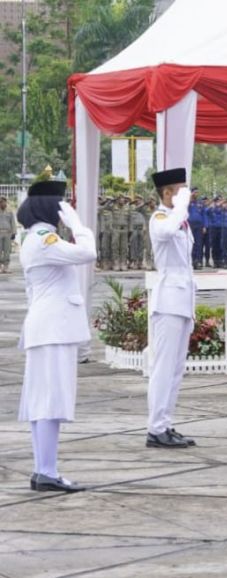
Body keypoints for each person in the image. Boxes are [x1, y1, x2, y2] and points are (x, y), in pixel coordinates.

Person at [17, 180, 97, 491]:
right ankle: (47, 471)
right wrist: (78, 225)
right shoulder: (44, 239)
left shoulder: (33, 237)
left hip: (45, 327)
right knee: (49, 402)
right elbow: (88, 253)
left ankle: (43, 469)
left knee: (43, 402)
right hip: (53, 328)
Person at [146, 168, 196, 449]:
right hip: (168, 303)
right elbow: (166, 232)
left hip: (183, 302)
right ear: (167, 193)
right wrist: (182, 205)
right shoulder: (160, 218)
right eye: (180, 190)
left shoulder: (181, 220)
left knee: (175, 370)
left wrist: (183, 208)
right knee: (163, 368)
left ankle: (165, 423)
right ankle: (155, 428)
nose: (185, 195)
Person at [188, 188, 206, 269]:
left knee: (199, 244)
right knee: (191, 243)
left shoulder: (200, 203)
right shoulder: (188, 202)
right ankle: (191, 261)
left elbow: (204, 215)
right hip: (190, 225)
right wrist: (189, 198)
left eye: (197, 192)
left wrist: (205, 226)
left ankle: (198, 261)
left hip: (199, 226)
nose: (196, 194)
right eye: (195, 192)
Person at [111, 195, 130, 271]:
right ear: (117, 200)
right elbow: (105, 207)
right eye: (120, 199)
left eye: (123, 199)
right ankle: (116, 262)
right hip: (116, 228)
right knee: (115, 246)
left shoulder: (127, 208)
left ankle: (123, 263)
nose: (122, 200)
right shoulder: (113, 207)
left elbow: (130, 219)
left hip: (124, 229)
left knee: (124, 247)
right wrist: (112, 200)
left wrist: (130, 229)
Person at [129, 197, 147, 270]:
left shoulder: (143, 209)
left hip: (141, 229)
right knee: (134, 246)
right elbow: (137, 208)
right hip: (134, 229)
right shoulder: (132, 208)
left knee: (141, 246)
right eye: (137, 200)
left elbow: (146, 218)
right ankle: (134, 262)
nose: (139, 201)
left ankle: (140, 261)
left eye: (140, 200)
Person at [0, 197, 15, 273]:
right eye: (1, 202)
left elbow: (13, 222)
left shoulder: (9, 211)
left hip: (7, 233)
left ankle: (6, 267)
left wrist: (14, 232)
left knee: (7, 251)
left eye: (4, 202)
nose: (3, 203)